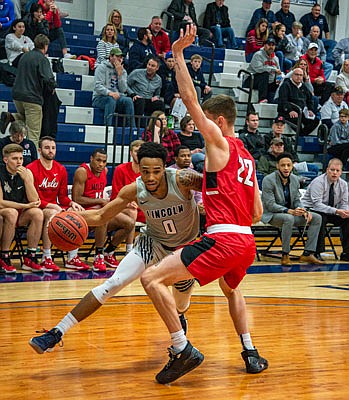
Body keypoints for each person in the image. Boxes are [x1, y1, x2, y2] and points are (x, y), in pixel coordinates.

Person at [140, 24, 267, 384]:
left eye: (207, 124)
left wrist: (178, 55)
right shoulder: (247, 157)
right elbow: (256, 212)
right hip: (245, 243)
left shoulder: (221, 142)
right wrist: (213, 191)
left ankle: (182, 348)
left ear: (220, 122)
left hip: (223, 238)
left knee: (152, 278)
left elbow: (191, 101)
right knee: (233, 290)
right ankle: (250, 352)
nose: (200, 128)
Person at [28, 141, 201, 352]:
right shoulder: (135, 189)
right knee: (113, 283)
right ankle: (57, 332)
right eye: (145, 171)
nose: (150, 177)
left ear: (165, 167)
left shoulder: (183, 179)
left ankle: (180, 316)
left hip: (184, 249)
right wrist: (66, 215)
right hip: (152, 243)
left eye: (156, 171)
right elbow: (101, 216)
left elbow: (216, 186)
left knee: (181, 304)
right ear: (139, 168)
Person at [26, 136, 89, 272]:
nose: (50, 151)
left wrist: (72, 203)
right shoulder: (31, 169)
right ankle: (46, 257)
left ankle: (72, 257)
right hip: (37, 207)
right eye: (47, 148)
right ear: (39, 150)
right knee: (52, 213)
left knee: (76, 213)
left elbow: (63, 197)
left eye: (53, 148)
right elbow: (32, 199)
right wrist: (51, 206)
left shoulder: (60, 169)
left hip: (54, 206)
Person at [261, 152, 323, 266]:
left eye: (288, 165)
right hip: (272, 215)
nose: (286, 168)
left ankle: (308, 253)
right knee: (288, 218)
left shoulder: (295, 179)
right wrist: (288, 211)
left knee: (316, 217)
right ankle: (285, 254)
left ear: (292, 166)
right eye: (283, 165)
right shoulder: (268, 180)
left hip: (290, 214)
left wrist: (303, 210)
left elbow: (296, 200)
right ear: (277, 166)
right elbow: (270, 205)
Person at [72, 148, 119, 271]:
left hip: (98, 210)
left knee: (128, 222)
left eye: (104, 161)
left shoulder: (105, 171)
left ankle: (109, 252)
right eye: (98, 160)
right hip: (82, 211)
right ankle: (99, 255)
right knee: (101, 219)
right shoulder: (82, 171)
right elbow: (77, 199)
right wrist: (101, 201)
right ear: (91, 159)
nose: (101, 164)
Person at [0, 143, 43, 273]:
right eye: (15, 159)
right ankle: (4, 256)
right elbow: (1, 203)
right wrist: (24, 206)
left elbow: (35, 201)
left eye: (21, 158)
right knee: (12, 213)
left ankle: (30, 256)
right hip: (4, 212)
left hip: (19, 213)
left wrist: (27, 181)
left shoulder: (26, 172)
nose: (19, 162)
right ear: (5, 160)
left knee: (37, 213)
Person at [9, 34, 55, 148]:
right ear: (45, 46)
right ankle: (32, 161)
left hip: (17, 95)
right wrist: (53, 87)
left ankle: (11, 117)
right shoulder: (42, 59)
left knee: (26, 117)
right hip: (32, 97)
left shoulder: (25, 56)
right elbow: (48, 78)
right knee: (33, 133)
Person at [301, 158, 349, 262]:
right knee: (320, 218)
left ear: (341, 172)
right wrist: (337, 211)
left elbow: (344, 203)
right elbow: (317, 205)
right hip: (311, 210)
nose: (334, 173)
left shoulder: (343, 184)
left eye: (337, 171)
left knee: (347, 219)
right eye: (332, 170)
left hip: (331, 211)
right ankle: (316, 252)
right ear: (327, 170)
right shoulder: (318, 182)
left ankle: (346, 252)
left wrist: (345, 212)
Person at [109, 139, 146, 255]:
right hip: (122, 209)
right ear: (131, 153)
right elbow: (115, 195)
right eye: (136, 151)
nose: (138, 154)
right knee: (132, 212)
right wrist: (128, 203)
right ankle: (129, 251)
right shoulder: (121, 169)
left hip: (144, 210)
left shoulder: (147, 171)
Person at [92, 47, 134, 127]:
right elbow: (97, 86)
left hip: (117, 97)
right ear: (111, 56)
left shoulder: (123, 70)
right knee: (110, 100)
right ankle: (107, 127)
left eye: (121, 57)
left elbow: (123, 89)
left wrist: (120, 75)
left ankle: (132, 129)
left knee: (128, 100)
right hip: (100, 97)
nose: (119, 59)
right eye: (117, 56)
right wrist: (110, 93)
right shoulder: (101, 67)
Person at [277, 67, 319, 136]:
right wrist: (290, 110)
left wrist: (310, 109)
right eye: (296, 74)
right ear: (292, 75)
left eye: (300, 75)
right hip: (287, 112)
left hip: (302, 112)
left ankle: (301, 135)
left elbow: (310, 99)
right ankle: (299, 137)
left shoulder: (304, 87)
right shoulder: (286, 85)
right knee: (296, 120)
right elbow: (283, 100)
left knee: (315, 121)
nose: (298, 77)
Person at [245, 37, 281, 103]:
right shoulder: (258, 55)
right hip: (251, 79)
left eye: (273, 45)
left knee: (279, 82)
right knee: (265, 74)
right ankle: (262, 99)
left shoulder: (276, 58)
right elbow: (258, 69)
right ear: (264, 45)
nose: (271, 47)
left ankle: (275, 102)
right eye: (269, 45)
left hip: (266, 83)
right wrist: (273, 69)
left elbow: (278, 72)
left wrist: (278, 79)